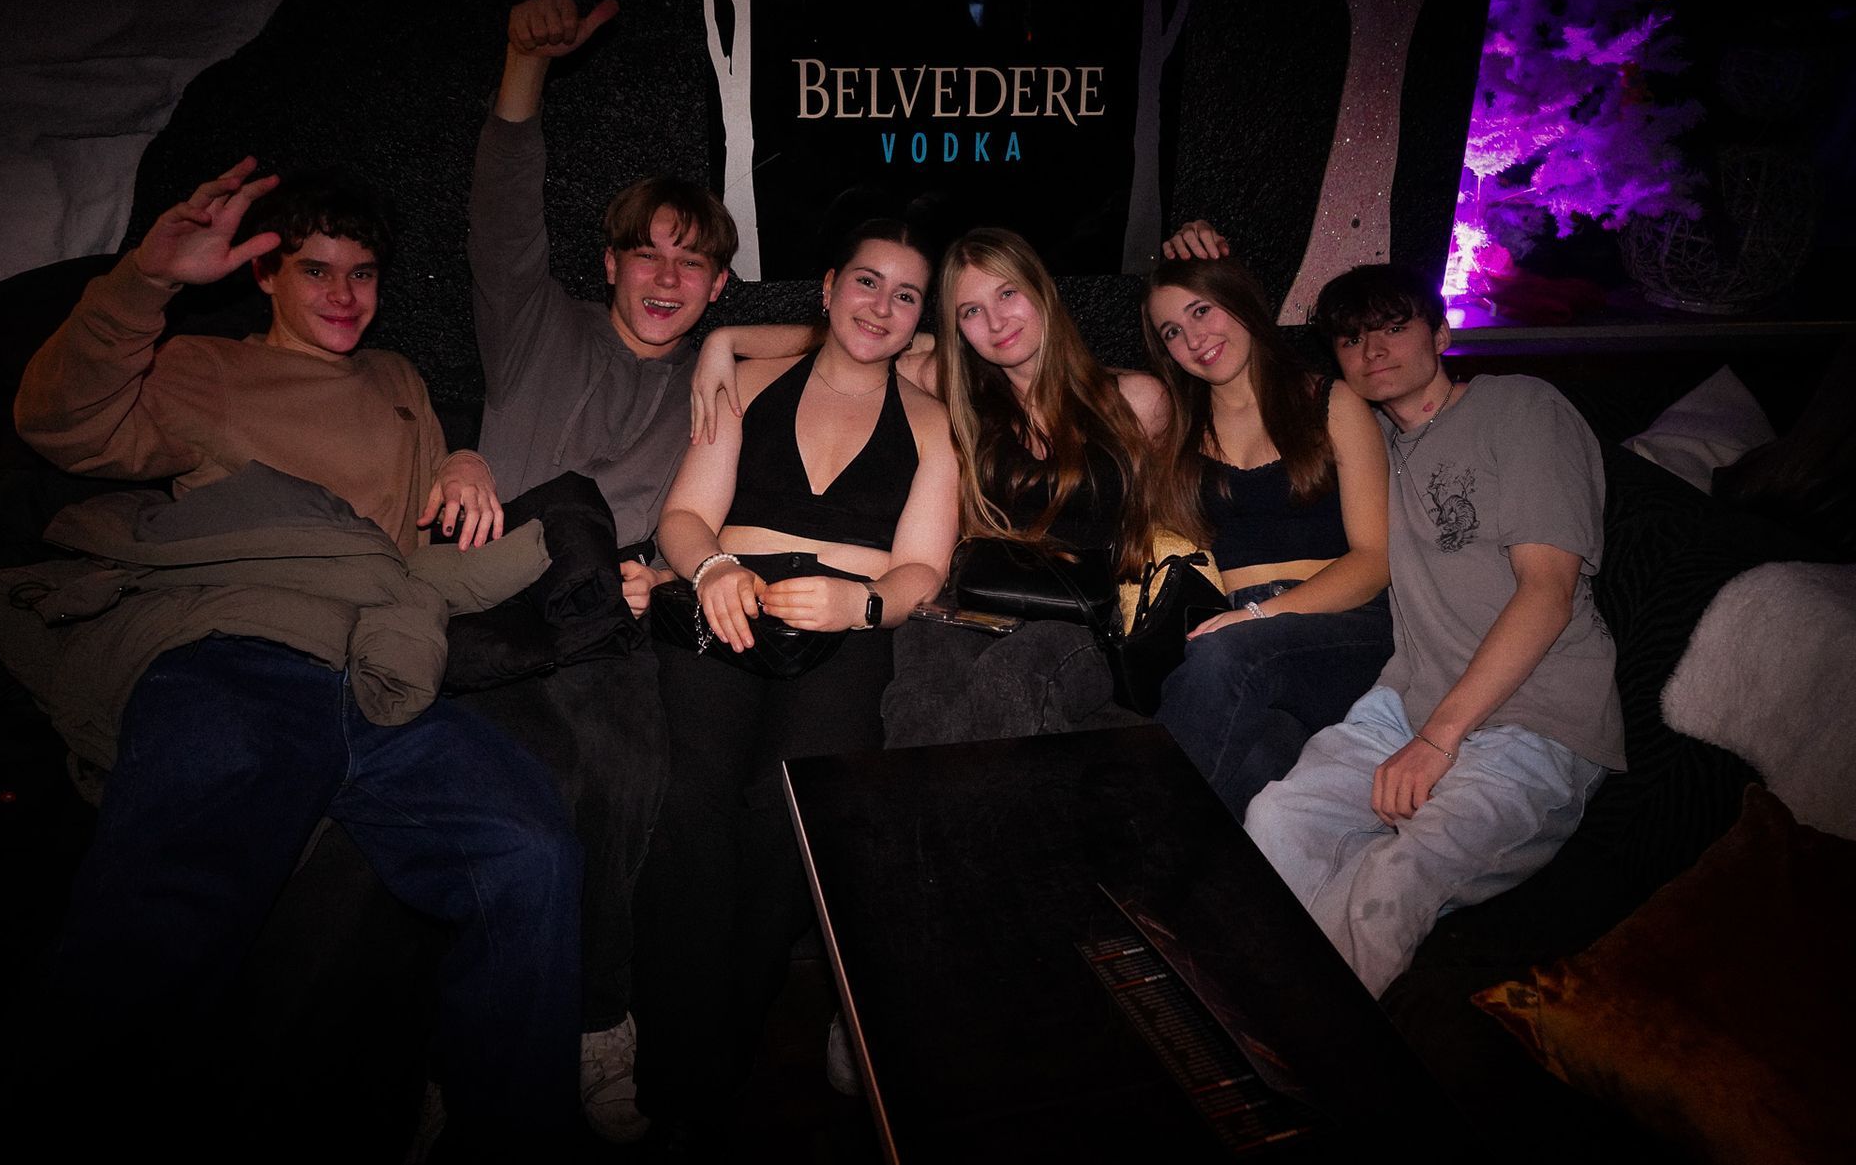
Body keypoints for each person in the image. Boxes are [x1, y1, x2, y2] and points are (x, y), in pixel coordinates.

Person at [4, 161, 585, 1154]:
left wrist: (464, 460)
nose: (345, 295)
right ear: (266, 275)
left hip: (380, 672)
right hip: (241, 650)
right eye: (316, 270)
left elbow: (422, 535)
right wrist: (147, 279)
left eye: (363, 273)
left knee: (533, 851)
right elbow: (61, 423)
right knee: (164, 915)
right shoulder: (202, 368)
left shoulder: (397, 380)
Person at [465, 0, 739, 1140]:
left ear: (718, 286)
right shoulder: (538, 321)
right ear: (613, 263)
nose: (668, 279)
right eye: (648, 254)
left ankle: (598, 1022)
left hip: (607, 615)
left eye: (694, 264)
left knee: (628, 777)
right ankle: (475, 1043)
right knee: (528, 798)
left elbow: (876, 344)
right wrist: (524, 62)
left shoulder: (714, 390)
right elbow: (501, 206)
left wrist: (665, 580)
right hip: (487, 596)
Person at [633, 220, 958, 1145]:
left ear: (918, 319)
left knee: (790, 814)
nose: (881, 306)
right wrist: (712, 569)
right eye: (866, 281)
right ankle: (674, 1063)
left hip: (844, 625)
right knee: (691, 800)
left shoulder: (933, 420)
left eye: (904, 295)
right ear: (828, 286)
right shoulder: (749, 382)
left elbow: (923, 569)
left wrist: (863, 604)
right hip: (724, 599)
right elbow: (685, 514)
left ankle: (725, 1049)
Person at [1244, 264, 1624, 999]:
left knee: (1395, 877)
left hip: (1538, 720)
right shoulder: (1371, 444)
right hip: (1407, 705)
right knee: (1278, 816)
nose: (1373, 350)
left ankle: (1305, 1040)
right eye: (1352, 339)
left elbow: (1548, 595)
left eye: (1395, 327)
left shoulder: (1522, 407)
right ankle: (1256, 1017)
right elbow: (1243, 377)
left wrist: (1438, 740)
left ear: (1442, 333)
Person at [693, 226, 1167, 745]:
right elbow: (854, 337)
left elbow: (1173, 511)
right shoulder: (955, 388)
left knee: (1011, 678)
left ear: (1044, 289)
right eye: (971, 310)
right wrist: (723, 341)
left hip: (1074, 620)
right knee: (920, 701)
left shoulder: (1134, 400)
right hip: (970, 604)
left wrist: (727, 338)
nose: (995, 321)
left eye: (1008, 293)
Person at [1141, 244, 1392, 817]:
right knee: (1252, 772)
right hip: (1246, 646)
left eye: (1202, 310)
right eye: (1172, 331)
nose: (1194, 338)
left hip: (1342, 625)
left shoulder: (1330, 401)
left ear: (1239, 300)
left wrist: (1261, 616)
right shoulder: (1179, 429)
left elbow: (1375, 559)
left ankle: (1126, 838)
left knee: (1222, 656)